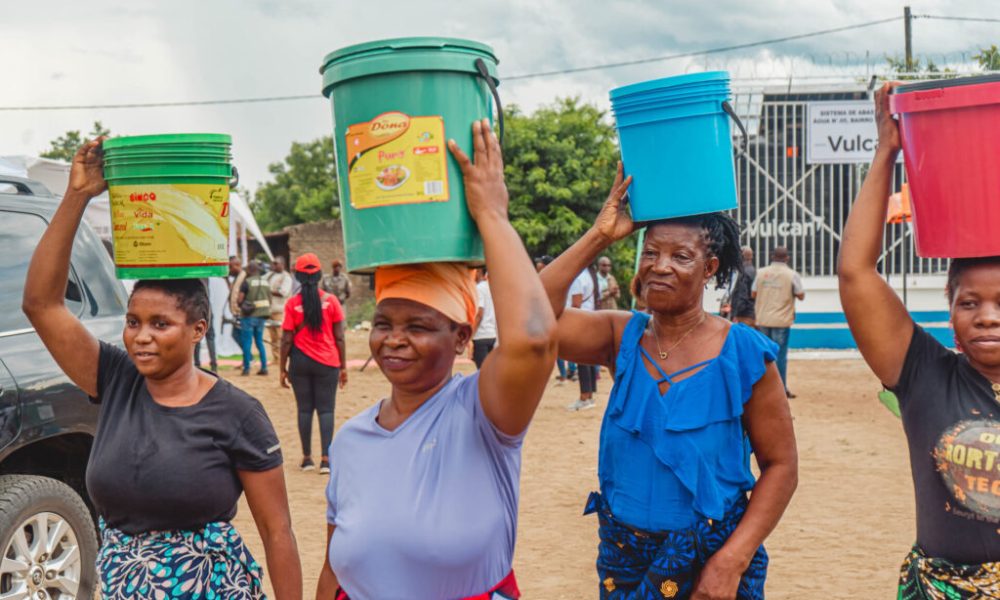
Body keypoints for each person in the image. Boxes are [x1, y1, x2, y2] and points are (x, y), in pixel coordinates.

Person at [21, 139, 302, 599]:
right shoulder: (115, 379)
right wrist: (77, 195)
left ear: (198, 330)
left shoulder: (238, 414)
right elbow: (41, 303)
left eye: (160, 324)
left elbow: (278, 532)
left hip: (209, 588)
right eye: (133, 322)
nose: (141, 336)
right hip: (124, 586)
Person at [315, 120, 557, 599]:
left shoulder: (482, 415)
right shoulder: (351, 440)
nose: (393, 340)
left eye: (418, 327)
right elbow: (334, 569)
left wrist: (492, 216)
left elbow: (533, 339)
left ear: (462, 337)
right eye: (383, 323)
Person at [540, 162, 797, 599]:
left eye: (680, 257)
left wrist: (731, 562)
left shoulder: (744, 354)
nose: (660, 267)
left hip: (712, 563)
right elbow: (531, 319)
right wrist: (600, 235)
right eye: (651, 253)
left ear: (709, 268)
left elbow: (782, 466)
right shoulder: (620, 337)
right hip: (624, 560)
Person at [840, 82, 1000, 598]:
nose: (987, 318)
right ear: (949, 308)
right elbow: (856, 273)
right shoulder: (925, 376)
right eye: (969, 303)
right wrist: (886, 150)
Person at [279, 252, 347, 475]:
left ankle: (307, 458)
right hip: (328, 362)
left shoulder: (292, 304)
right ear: (319, 275)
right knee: (326, 410)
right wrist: (343, 367)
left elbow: (286, 339)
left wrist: (282, 368)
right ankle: (326, 460)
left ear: (297, 276)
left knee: (304, 410)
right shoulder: (331, 301)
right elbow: (339, 337)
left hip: (300, 362)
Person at [752, 247, 804, 398]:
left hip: (763, 319)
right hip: (781, 320)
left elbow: (753, 293)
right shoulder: (792, 275)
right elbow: (800, 295)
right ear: (787, 258)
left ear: (771, 256)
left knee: (763, 355)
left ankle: (762, 388)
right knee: (779, 356)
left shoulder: (761, 273)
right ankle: (781, 389)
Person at [567, 265, 600, 411]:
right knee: (589, 361)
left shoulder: (578, 278)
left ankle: (584, 397)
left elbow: (576, 304)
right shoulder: (589, 276)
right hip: (590, 320)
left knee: (582, 361)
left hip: (581, 322)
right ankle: (590, 396)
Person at [237, 261, 272, 376]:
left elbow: (240, 300)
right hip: (262, 316)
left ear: (250, 270)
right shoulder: (266, 282)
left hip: (249, 316)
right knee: (259, 342)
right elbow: (270, 299)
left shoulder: (247, 282)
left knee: (247, 342)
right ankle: (264, 368)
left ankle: (246, 369)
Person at [267, 256, 294, 355]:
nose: (273, 265)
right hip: (270, 309)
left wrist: (267, 291)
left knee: (280, 336)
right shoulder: (270, 275)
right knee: (273, 336)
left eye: (276, 263)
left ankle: (283, 357)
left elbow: (283, 293)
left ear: (282, 265)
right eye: (273, 263)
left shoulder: (286, 277)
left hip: (280, 310)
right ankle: (276, 358)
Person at [471, 267, 497, 369]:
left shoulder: (479, 288)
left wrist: (471, 335)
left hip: (480, 336)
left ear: (478, 272)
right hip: (492, 335)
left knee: (481, 371)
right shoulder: (491, 288)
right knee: (490, 370)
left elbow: (479, 314)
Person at [193, 277, 218, 373]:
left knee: (197, 337)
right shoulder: (205, 277)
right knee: (210, 338)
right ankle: (213, 364)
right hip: (207, 309)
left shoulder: (194, 277)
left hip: (197, 308)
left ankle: (197, 364)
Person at [730, 246, 757, 327]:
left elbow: (742, 295)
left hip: (744, 315)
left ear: (741, 257)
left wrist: (735, 314)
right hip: (752, 312)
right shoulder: (754, 271)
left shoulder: (743, 273)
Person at [227, 255, 246, 349]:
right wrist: (226, 279)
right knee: (237, 335)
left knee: (240, 336)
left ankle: (248, 356)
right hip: (237, 312)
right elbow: (233, 291)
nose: (229, 270)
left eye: (230, 267)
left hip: (243, 313)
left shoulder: (244, 277)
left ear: (237, 265)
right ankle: (248, 355)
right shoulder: (237, 277)